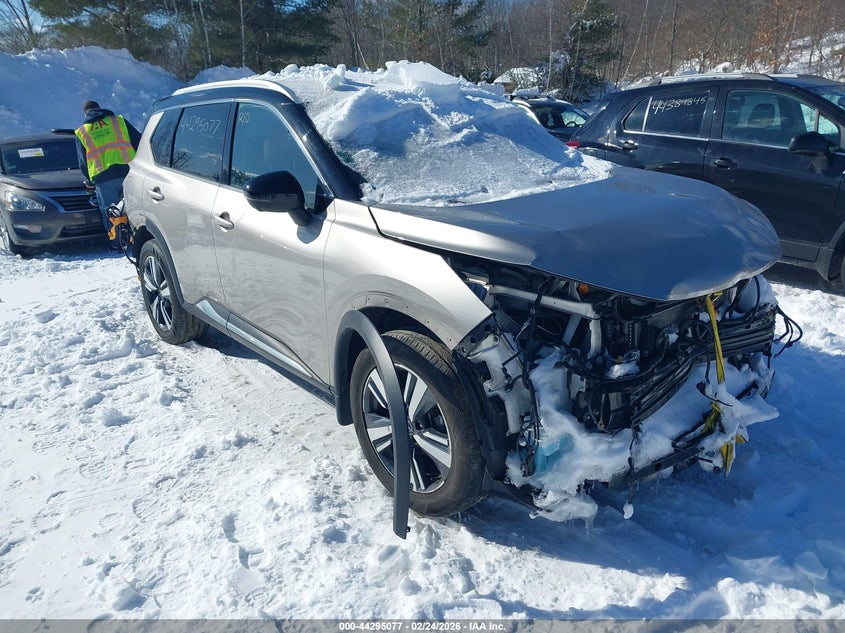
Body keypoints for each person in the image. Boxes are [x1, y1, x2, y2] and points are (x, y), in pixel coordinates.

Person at [75, 100, 141, 250]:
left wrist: (89, 179)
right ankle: (137, 237)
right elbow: (138, 141)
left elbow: (83, 161)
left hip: (103, 177)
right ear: (99, 108)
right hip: (128, 171)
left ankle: (118, 243)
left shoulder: (83, 131)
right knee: (132, 205)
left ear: (85, 113)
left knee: (112, 211)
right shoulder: (119, 122)